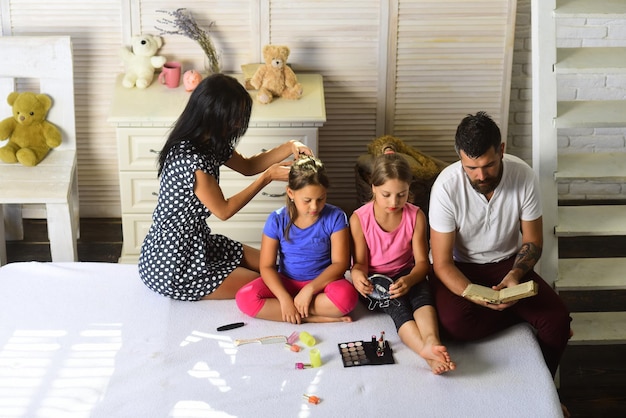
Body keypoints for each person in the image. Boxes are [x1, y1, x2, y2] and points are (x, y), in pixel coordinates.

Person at [428, 112, 572, 412]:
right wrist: (475, 294)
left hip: (509, 264)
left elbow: (532, 242)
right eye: (471, 167)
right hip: (461, 266)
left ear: (502, 150)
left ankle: (541, 392)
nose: (481, 175)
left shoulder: (523, 175)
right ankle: (521, 316)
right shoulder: (446, 186)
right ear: (460, 158)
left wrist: (516, 275)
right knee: (454, 325)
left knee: (558, 322)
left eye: (489, 165)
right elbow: (441, 263)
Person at [138, 73, 313, 301]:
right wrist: (268, 177)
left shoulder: (208, 141)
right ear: (213, 115)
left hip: (199, 244)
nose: (239, 123)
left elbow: (249, 166)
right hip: (174, 263)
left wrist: (291, 145)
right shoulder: (192, 161)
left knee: (273, 265)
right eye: (233, 117)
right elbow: (224, 210)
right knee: (273, 284)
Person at [350, 153, 455, 374]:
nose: (394, 202)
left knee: (422, 296)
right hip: (376, 281)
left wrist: (409, 280)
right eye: (386, 195)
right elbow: (359, 264)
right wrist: (358, 277)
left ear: (409, 189)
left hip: (408, 273)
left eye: (401, 195)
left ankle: (432, 342)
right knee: (399, 308)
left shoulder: (415, 216)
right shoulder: (360, 218)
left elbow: (422, 264)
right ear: (374, 187)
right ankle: (426, 353)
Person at [236, 156, 358, 323]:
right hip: (286, 281)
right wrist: (284, 298)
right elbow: (266, 266)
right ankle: (313, 317)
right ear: (290, 193)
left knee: (347, 297)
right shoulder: (277, 219)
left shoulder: (336, 217)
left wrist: (310, 289)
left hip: (322, 283)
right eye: (307, 200)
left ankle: (295, 311)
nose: (314, 207)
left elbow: (340, 264)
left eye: (321, 199)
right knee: (245, 298)